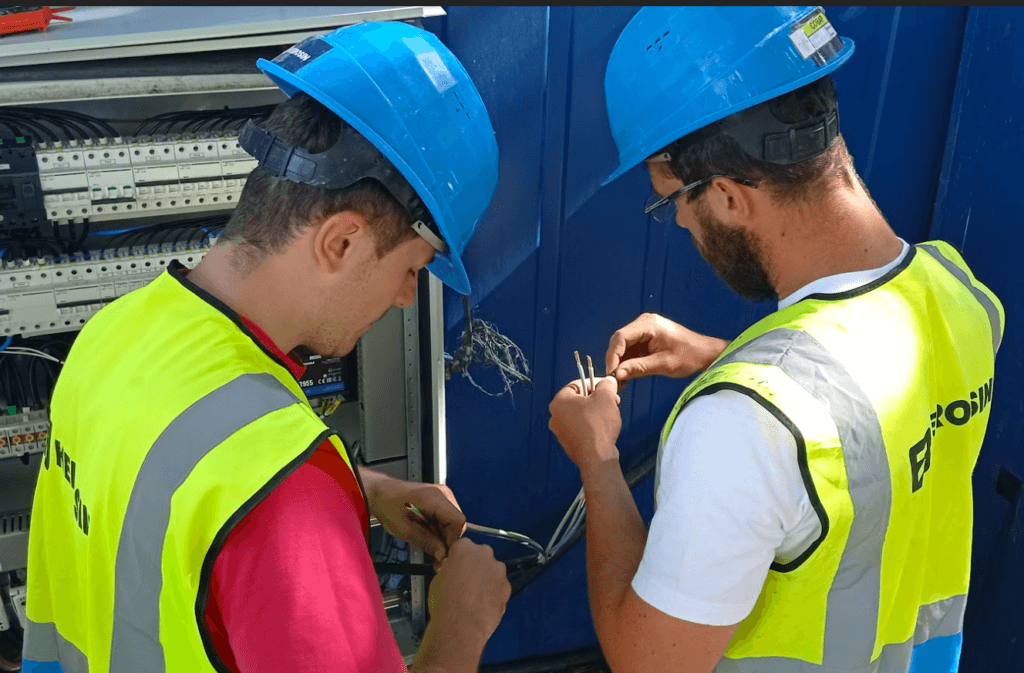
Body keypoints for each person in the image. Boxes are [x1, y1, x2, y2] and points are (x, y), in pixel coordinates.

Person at [23, 21, 511, 673]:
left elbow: (171, 492)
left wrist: (365, 487)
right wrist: (461, 625)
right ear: (341, 241)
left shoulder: (115, 331)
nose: (403, 298)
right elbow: (252, 492)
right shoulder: (287, 494)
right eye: (412, 270)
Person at [548, 6, 1003, 673]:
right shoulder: (960, 294)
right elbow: (870, 426)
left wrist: (597, 458)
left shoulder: (737, 426)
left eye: (672, 201)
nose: (680, 225)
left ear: (727, 195)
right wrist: (721, 357)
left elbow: (650, 661)